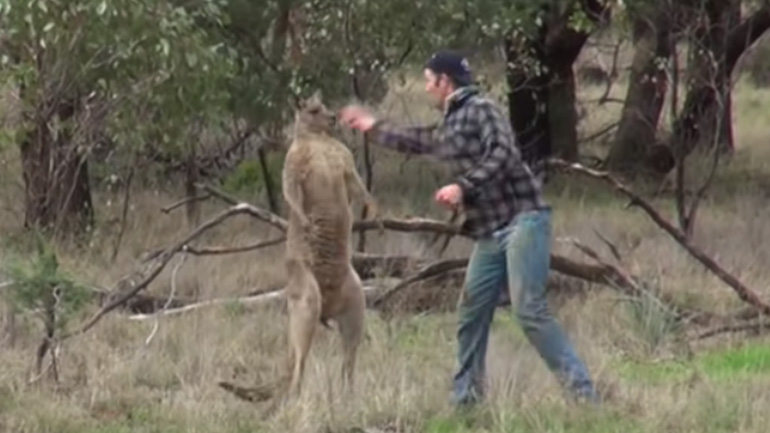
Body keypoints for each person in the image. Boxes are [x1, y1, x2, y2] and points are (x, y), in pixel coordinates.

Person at [338, 50, 598, 407]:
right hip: (490, 231)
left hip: (524, 219)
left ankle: (584, 397)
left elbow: (503, 153)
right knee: (471, 312)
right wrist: (374, 128)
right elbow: (423, 140)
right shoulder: (452, 121)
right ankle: (466, 402)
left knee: (529, 311)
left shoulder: (482, 109)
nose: (427, 88)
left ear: (446, 82)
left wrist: (464, 186)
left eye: (429, 81)